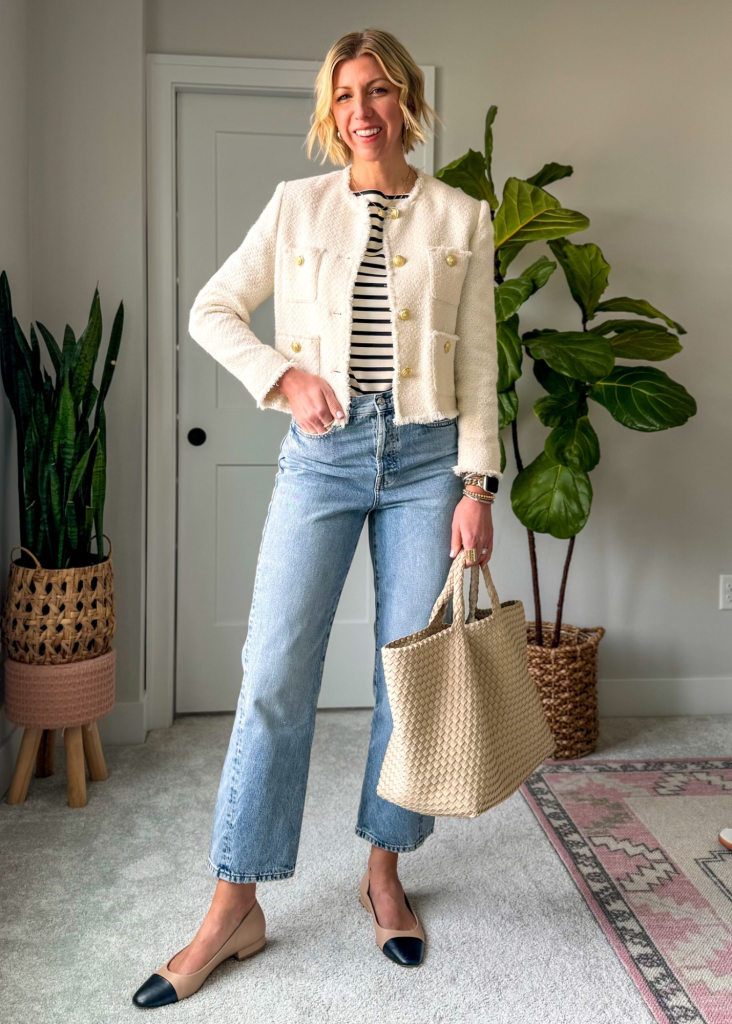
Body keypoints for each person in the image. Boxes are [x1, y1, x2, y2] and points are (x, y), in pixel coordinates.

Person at [133, 27, 501, 1007]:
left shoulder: (463, 215)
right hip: (325, 456)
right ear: (329, 110)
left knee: (406, 678)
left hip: (428, 460)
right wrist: (282, 373)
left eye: (378, 91)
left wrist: (478, 486)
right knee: (272, 673)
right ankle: (232, 906)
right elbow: (213, 307)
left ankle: (385, 871)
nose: (362, 111)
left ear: (407, 100)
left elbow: (479, 368)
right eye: (345, 96)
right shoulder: (297, 206)